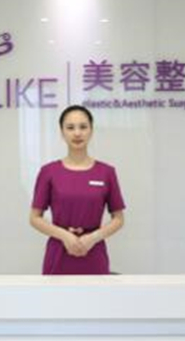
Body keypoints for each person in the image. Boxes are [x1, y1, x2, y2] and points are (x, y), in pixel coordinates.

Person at [29, 105, 126, 275]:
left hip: (93, 251)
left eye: (83, 127)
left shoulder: (106, 172)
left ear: (91, 130)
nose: (77, 133)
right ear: (62, 132)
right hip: (59, 251)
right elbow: (34, 218)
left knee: (97, 292)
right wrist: (65, 236)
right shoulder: (48, 172)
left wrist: (93, 238)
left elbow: (118, 219)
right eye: (70, 127)